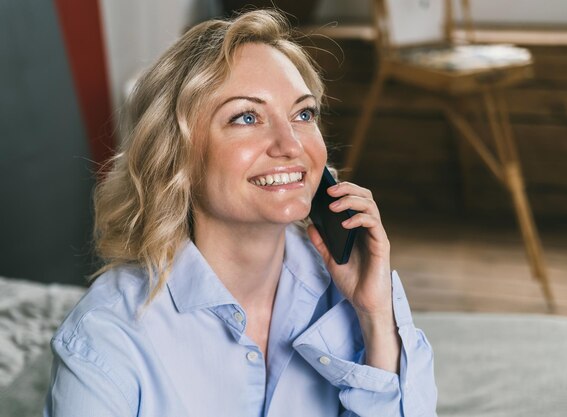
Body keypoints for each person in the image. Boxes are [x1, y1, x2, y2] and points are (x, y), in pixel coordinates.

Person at [44, 9, 437, 417]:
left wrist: (376, 316)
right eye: (246, 117)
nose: (290, 145)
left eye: (303, 114)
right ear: (176, 157)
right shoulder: (105, 339)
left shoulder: (346, 291)